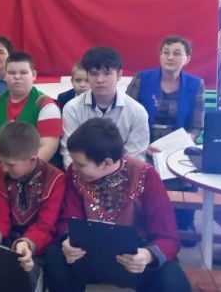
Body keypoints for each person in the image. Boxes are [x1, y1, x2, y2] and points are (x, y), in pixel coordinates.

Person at [44, 118, 190, 292]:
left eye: (80, 164)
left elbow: (168, 236)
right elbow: (68, 217)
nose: (73, 167)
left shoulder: (145, 176)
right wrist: (68, 240)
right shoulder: (75, 174)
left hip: (136, 256)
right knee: (55, 257)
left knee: (173, 282)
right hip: (86, 252)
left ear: (106, 163)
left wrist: (147, 255)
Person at [0, 122, 65, 292]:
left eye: (11, 164)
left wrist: (26, 244)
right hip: (5, 238)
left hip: (37, 245)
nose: (4, 168)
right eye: (1, 161)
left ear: (32, 159)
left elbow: (46, 225)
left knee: (26, 268)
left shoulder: (56, 179)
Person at [126, 36, 204, 245]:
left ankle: (184, 221)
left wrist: (182, 143)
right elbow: (128, 115)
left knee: (186, 170)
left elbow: (196, 125)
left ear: (187, 58)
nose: (170, 57)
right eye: (166, 52)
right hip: (143, 140)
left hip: (177, 144)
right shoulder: (142, 78)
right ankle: (144, 222)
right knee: (139, 170)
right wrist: (142, 145)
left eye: (177, 53)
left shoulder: (195, 84)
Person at [60, 47, 149, 166]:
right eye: (94, 74)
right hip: (82, 173)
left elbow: (135, 158)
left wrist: (113, 176)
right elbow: (69, 153)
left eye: (107, 73)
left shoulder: (137, 112)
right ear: (87, 75)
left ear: (119, 75)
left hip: (123, 174)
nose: (100, 80)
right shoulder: (72, 108)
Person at [0, 52, 62, 162]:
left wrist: (21, 168)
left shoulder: (47, 106)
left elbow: (48, 147)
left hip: (35, 167)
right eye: (12, 73)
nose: (17, 77)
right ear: (5, 75)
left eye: (23, 72)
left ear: (34, 75)